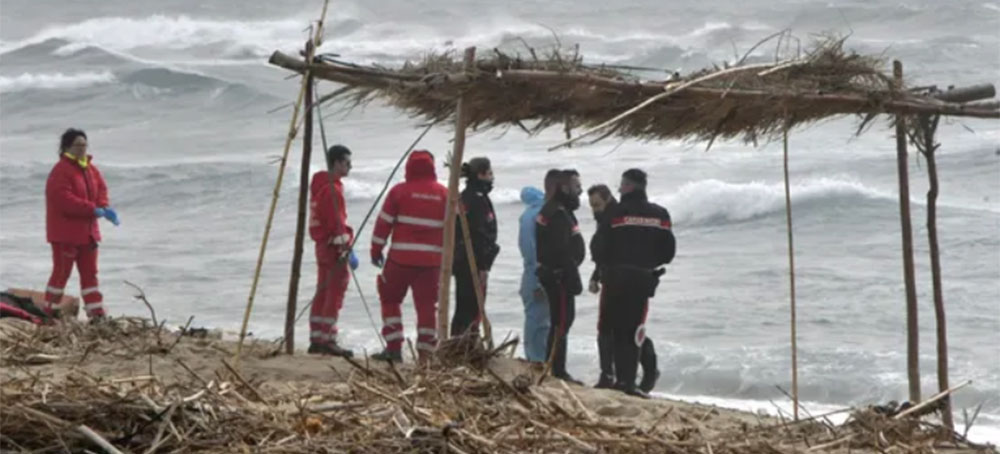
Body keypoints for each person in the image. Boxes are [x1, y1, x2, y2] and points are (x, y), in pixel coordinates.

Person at [592, 169, 675, 398]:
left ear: (628, 186)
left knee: (612, 328)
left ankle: (619, 379)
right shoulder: (660, 214)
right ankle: (630, 381)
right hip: (643, 278)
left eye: (621, 185)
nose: (619, 189)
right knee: (634, 329)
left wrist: (606, 266)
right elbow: (668, 252)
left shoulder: (615, 213)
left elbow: (598, 248)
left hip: (616, 278)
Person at [369, 150, 448, 363]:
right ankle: (426, 355)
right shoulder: (443, 194)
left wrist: (375, 250)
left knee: (390, 299)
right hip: (431, 264)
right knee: (426, 307)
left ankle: (394, 348)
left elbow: (383, 223)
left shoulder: (399, 192)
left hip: (400, 261)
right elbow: (455, 229)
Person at [44, 128, 119, 321]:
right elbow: (63, 199)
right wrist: (91, 209)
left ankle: (96, 314)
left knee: (90, 276)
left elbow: (101, 189)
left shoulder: (90, 169)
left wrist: (104, 206)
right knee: (61, 274)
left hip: (88, 234)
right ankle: (48, 311)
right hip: (65, 234)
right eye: (78, 145)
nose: (82, 149)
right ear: (67, 147)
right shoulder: (60, 170)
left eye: (84, 145)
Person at [307, 144, 358, 357]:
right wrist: (346, 249)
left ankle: (317, 337)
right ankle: (328, 338)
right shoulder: (331, 190)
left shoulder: (322, 186)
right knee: (334, 292)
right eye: (347, 163)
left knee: (323, 291)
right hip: (332, 248)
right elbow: (336, 224)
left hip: (322, 246)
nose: (350, 167)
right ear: (336, 163)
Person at [536, 169, 585, 384]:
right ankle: (556, 369)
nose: (580, 191)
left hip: (558, 273)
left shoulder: (559, 209)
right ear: (565, 188)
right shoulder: (556, 212)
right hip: (559, 276)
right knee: (562, 322)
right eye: (576, 187)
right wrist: (572, 277)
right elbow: (561, 250)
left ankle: (554, 366)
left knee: (561, 321)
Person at [450, 157, 499, 337]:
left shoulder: (469, 197)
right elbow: (479, 234)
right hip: (472, 262)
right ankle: (466, 343)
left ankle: (463, 340)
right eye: (490, 173)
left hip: (466, 259)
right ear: (480, 174)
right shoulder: (475, 199)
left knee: (465, 305)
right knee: (471, 307)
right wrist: (484, 263)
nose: (492, 178)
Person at [517, 186, 549, 362]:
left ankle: (535, 356)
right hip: (536, 272)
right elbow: (532, 250)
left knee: (536, 317)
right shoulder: (539, 216)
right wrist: (539, 281)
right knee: (539, 320)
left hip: (531, 271)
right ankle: (537, 358)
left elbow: (527, 249)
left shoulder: (528, 215)